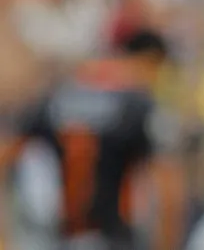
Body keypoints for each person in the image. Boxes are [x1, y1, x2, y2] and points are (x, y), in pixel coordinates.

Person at [0, 29, 185, 250]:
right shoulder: (138, 104)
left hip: (64, 238)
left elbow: (6, 153)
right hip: (116, 237)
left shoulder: (56, 94)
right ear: (150, 61)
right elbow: (169, 193)